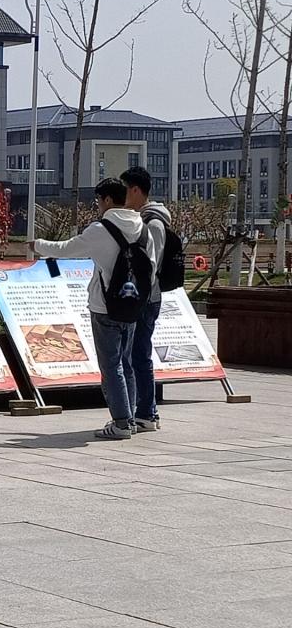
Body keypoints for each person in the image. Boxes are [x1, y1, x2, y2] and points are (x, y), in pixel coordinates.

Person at [33, 178, 153, 440]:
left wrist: (37, 245)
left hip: (104, 307)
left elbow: (66, 249)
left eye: (98, 200)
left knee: (111, 367)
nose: (98, 205)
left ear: (107, 199)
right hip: (133, 305)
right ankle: (130, 418)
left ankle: (121, 423)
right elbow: (151, 268)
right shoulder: (143, 228)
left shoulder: (101, 229)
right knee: (127, 364)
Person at [121, 166, 172, 433]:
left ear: (135, 190)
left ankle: (146, 413)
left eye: (125, 190)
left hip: (146, 299)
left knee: (140, 355)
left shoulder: (153, 223)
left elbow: (151, 265)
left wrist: (137, 295)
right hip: (143, 297)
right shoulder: (141, 219)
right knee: (135, 354)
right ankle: (145, 411)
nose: (122, 196)